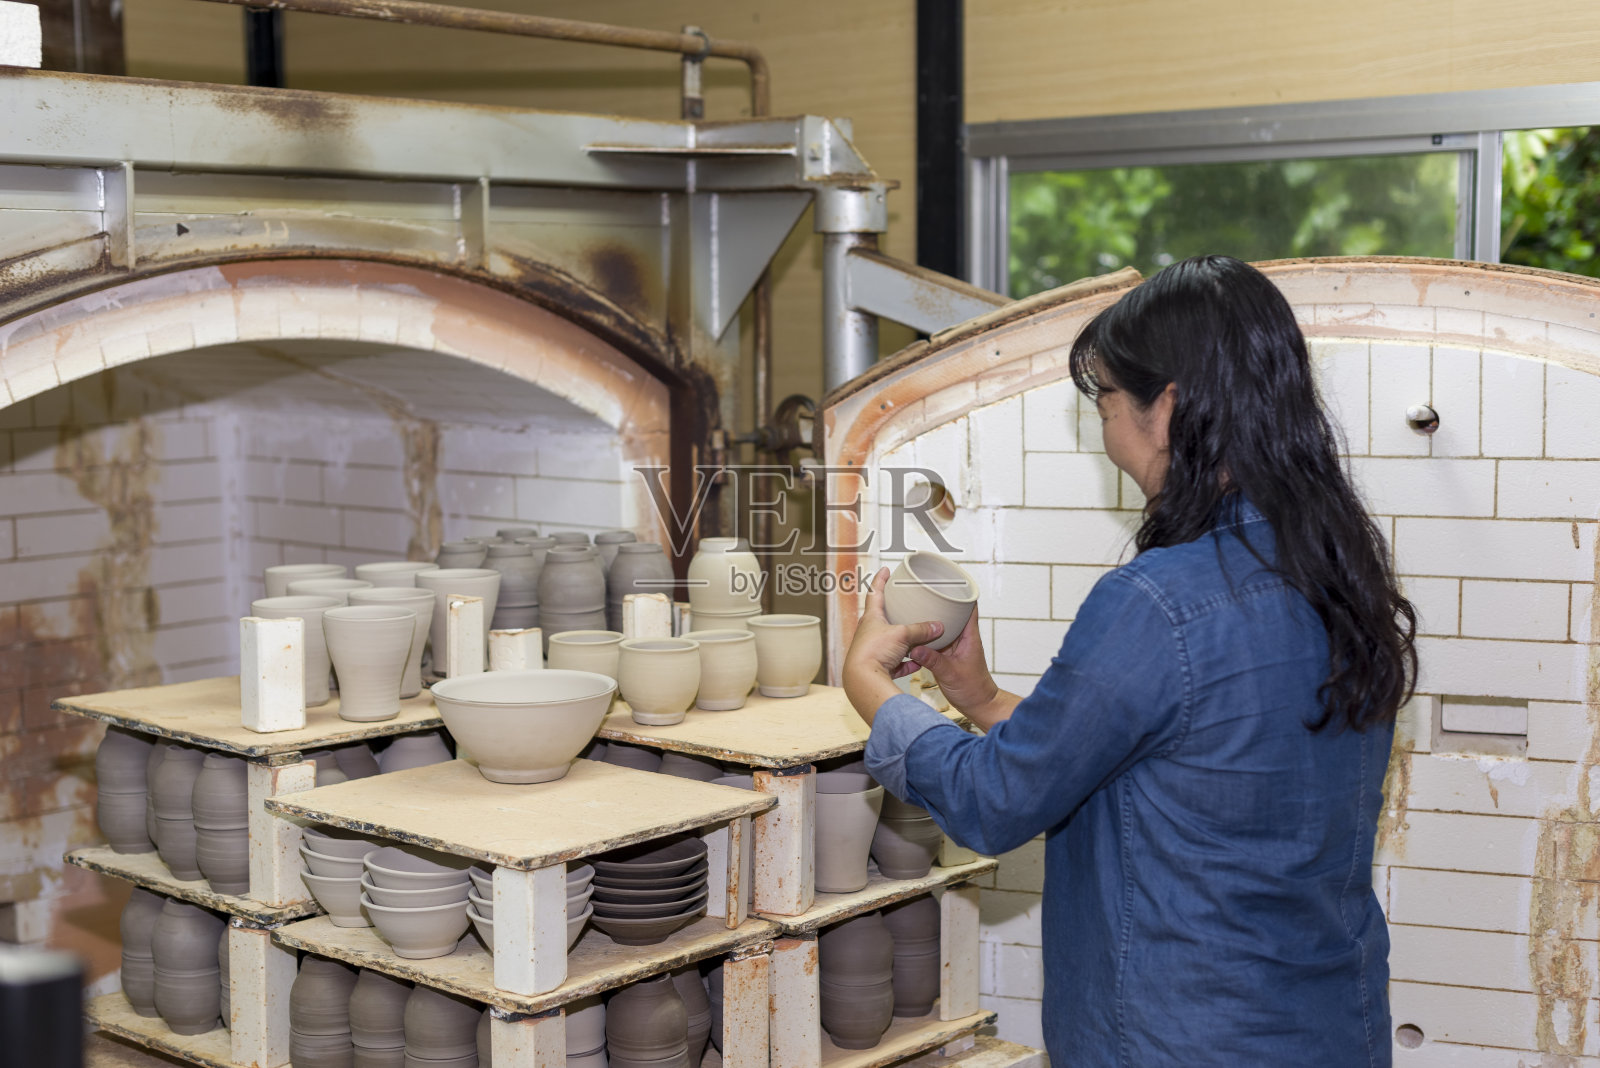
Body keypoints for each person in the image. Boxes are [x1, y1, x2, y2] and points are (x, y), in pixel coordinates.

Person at [842, 255, 1416, 1066]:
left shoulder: (1159, 602)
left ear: (1169, 408)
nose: (1105, 429)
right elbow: (1148, 769)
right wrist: (980, 695)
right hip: (1327, 1028)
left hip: (1184, 1037)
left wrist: (868, 686)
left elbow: (993, 803)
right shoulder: (1338, 571)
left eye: (1106, 400)